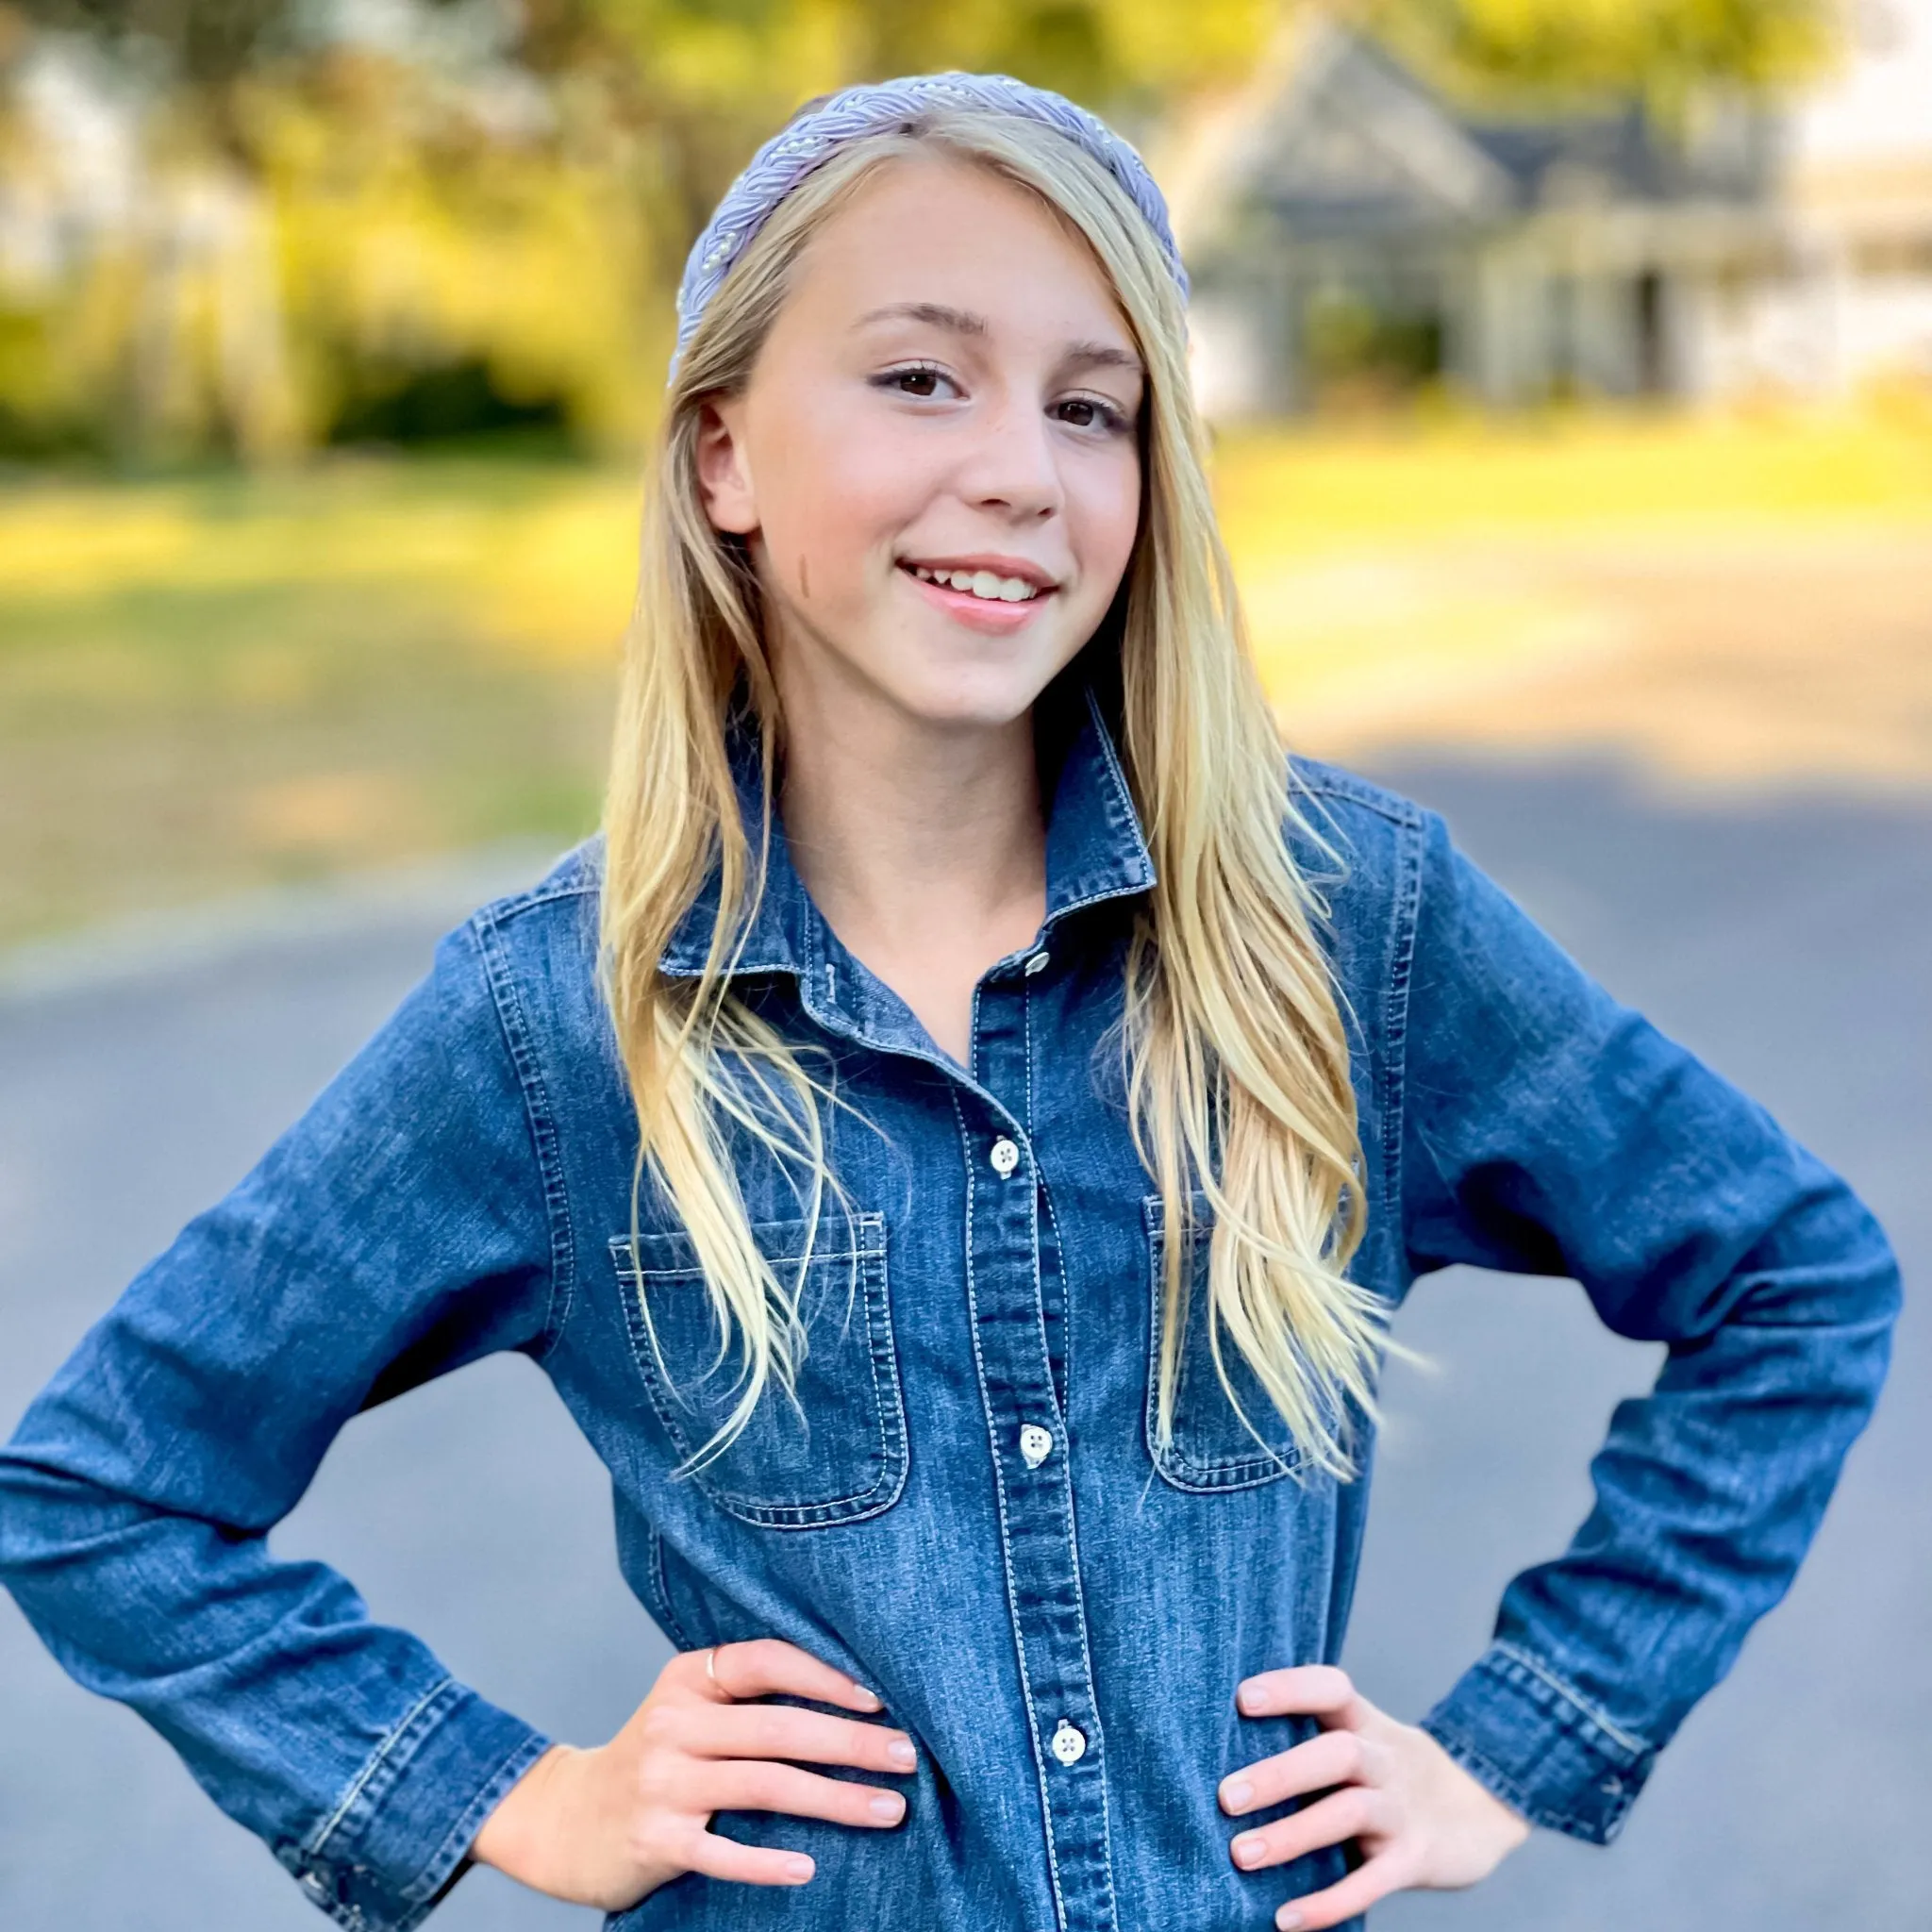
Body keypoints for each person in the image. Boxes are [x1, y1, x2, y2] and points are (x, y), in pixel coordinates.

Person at [0, 70, 1900, 1932]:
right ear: (723, 450)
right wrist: (507, 1792)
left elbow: (1788, 1277)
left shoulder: (1344, 924)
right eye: (921, 374)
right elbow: (100, 1488)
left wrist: (1518, 1740)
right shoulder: (554, 1021)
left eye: (1096, 406)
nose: (1019, 464)